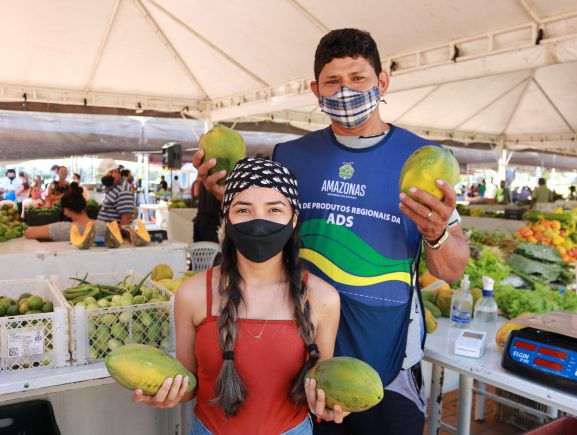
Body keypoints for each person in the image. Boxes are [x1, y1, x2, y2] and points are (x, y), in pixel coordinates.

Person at [194, 28, 469, 434]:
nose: (346, 92)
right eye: (333, 82)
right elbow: (256, 233)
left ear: (383, 81)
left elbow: (451, 270)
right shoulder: (290, 156)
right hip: (301, 362)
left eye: (358, 78)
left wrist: (437, 234)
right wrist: (225, 196)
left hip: (385, 365)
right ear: (315, 89)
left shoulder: (423, 159)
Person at [133, 158, 342, 434]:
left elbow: (324, 385)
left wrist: (330, 405)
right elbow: (188, 384)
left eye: (274, 209)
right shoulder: (193, 294)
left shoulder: (323, 298)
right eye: (244, 209)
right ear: (227, 217)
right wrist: (166, 393)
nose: (259, 221)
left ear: (293, 219)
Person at [23, 183, 105, 241]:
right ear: (85, 206)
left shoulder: (63, 228)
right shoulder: (103, 226)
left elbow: (28, 233)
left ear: (66, 210)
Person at [96, 158, 135, 225]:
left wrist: (116, 234)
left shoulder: (123, 190)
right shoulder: (113, 187)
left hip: (114, 234)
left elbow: (126, 219)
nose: (103, 179)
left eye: (105, 176)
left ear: (115, 172)